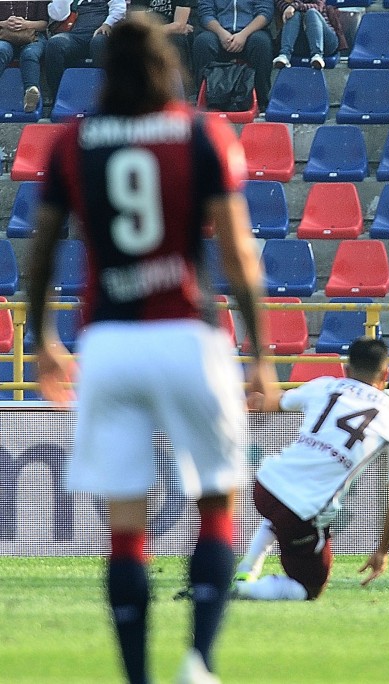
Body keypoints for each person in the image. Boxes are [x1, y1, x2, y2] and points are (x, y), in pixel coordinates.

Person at [26, 14, 277, 684]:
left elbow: (42, 250)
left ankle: (137, 677)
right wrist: (260, 355)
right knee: (216, 504)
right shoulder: (200, 133)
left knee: (126, 529)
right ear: (168, 64)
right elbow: (237, 253)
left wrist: (43, 339)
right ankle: (199, 661)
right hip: (187, 338)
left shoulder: (73, 141)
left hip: (108, 345)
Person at [234, 338, 389, 600]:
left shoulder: (324, 385)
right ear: (386, 374)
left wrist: (250, 400)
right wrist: (382, 550)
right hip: (302, 508)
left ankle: (245, 572)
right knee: (311, 586)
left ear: (346, 369)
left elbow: (273, 402)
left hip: (265, 486)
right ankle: (235, 591)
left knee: (280, 513)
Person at [192, 0, 273, 110]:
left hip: (250, 32)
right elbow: (205, 13)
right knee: (202, 42)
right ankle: (206, 100)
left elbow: (265, 13)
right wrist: (221, 33)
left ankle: (261, 101)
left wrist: (243, 34)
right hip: (219, 33)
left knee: (261, 43)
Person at [45, 0, 126, 101]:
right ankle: (59, 97)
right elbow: (58, 16)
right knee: (54, 44)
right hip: (76, 36)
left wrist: (107, 24)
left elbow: (119, 9)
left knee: (99, 43)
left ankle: (108, 96)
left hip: (101, 33)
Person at [0, 0, 49, 112]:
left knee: (30, 54)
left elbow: (44, 24)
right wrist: (4, 23)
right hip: (4, 36)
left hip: (34, 36)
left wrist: (25, 24)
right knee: (1, 50)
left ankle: (31, 93)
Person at [129, 0, 196, 72]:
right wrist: (171, 27)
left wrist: (150, 31)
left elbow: (179, 25)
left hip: (173, 36)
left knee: (178, 41)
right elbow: (139, 26)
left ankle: (180, 77)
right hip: (146, 37)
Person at [271, 0, 339, 69]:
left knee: (312, 12)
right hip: (298, 43)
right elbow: (286, 8)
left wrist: (294, 6)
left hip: (325, 42)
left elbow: (318, 6)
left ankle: (317, 56)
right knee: (293, 14)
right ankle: (284, 56)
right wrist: (293, 7)